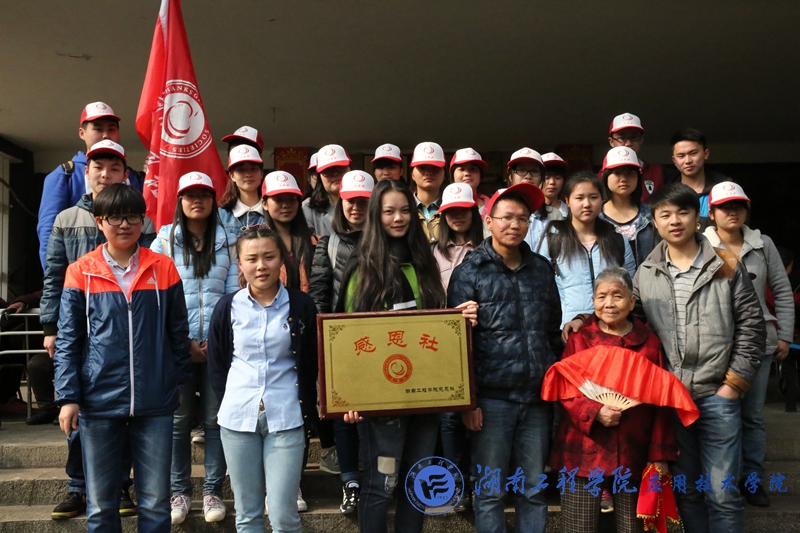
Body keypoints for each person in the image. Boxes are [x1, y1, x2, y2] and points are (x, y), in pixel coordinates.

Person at [337, 179, 475, 533]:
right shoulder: (363, 266)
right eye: (389, 212)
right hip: (380, 401)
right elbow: (349, 337)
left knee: (416, 485)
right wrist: (351, 394)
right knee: (380, 486)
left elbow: (436, 324)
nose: (398, 218)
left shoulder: (423, 261)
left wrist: (458, 318)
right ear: (376, 216)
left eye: (404, 211)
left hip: (425, 396)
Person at [54, 183, 191, 533]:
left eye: (132, 217)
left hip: (155, 400)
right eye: (114, 217)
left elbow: (178, 334)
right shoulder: (81, 271)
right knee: (101, 506)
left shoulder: (164, 267)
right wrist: (68, 397)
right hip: (98, 400)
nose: (124, 225)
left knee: (155, 503)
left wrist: (177, 382)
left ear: (143, 220)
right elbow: (69, 339)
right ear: (100, 221)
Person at [630, 183, 765, 533]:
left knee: (722, 493)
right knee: (688, 491)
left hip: (717, 394)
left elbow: (752, 325)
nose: (674, 221)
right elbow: (631, 327)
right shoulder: (646, 272)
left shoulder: (726, 263)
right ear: (655, 222)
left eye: (683, 212)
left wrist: (733, 385)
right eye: (665, 215)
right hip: (672, 399)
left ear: (697, 217)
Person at [40, 141, 155, 520]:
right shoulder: (66, 219)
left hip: (125, 332)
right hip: (78, 330)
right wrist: (51, 327)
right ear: (87, 172)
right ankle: (78, 487)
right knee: (77, 413)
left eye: (114, 168)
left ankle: (119, 484)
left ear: (126, 174)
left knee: (123, 414)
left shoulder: (141, 221)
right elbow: (54, 276)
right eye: (98, 167)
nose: (106, 174)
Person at [448, 182, 562, 533]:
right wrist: (469, 402)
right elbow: (457, 345)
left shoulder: (541, 268)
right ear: (489, 221)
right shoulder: (470, 271)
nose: (514, 224)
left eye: (522, 218)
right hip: (491, 399)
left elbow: (552, 331)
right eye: (507, 217)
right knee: (490, 491)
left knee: (533, 489)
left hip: (537, 399)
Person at [549, 267, 678, 533]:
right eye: (602, 296)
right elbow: (564, 387)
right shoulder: (579, 339)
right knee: (579, 527)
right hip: (583, 450)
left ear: (632, 301)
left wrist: (660, 455)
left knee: (633, 527)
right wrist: (593, 411)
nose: (609, 303)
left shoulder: (649, 343)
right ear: (593, 301)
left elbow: (661, 401)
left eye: (617, 296)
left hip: (635, 450)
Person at [207, 226, 319, 533]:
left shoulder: (301, 305)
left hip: (286, 416)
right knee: (247, 515)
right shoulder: (227, 306)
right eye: (252, 259)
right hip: (237, 419)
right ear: (240, 264)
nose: (261, 266)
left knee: (284, 515)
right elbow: (217, 364)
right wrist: (231, 399)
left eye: (269, 257)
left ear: (281, 259)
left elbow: (311, 361)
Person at [151, 172, 239, 524]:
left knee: (216, 420)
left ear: (213, 200)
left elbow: (233, 295)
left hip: (219, 346)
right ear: (180, 201)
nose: (197, 200)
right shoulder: (164, 241)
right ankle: (179, 492)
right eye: (189, 195)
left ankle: (213, 490)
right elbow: (158, 296)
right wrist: (183, 341)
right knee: (178, 421)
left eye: (204, 194)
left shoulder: (229, 239)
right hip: (178, 346)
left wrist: (215, 342)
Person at [703, 181, 794, 506]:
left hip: (759, 343)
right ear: (711, 212)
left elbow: (782, 291)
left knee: (752, 416)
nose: (732, 212)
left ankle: (752, 480)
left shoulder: (762, 243)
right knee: (720, 416)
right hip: (716, 344)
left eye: (738, 205)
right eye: (725, 207)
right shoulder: (702, 244)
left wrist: (784, 334)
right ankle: (722, 481)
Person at [308, 170, 374, 515]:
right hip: (342, 343)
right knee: (345, 415)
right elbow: (319, 294)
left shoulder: (387, 241)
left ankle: (377, 480)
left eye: (363, 201)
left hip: (382, 340)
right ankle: (351, 482)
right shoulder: (329, 243)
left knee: (377, 412)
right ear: (340, 202)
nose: (356, 207)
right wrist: (325, 342)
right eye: (350, 201)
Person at [36, 102, 143, 269]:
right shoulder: (64, 174)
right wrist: (56, 278)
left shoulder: (134, 177)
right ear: (82, 133)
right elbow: (49, 233)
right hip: (79, 274)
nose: (106, 135)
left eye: (111, 129)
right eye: (98, 129)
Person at [432, 182, 484, 512]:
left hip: (481, 341)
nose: (457, 216)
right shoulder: (431, 252)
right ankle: (457, 485)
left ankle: (481, 484)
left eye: (463, 210)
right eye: (451, 211)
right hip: (442, 345)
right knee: (450, 418)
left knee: (480, 416)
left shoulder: (487, 249)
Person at [540, 172, 636, 331]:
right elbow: (542, 288)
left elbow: (630, 285)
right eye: (579, 198)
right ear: (567, 201)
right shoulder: (553, 240)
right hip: (569, 329)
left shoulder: (617, 240)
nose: (587, 204)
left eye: (593, 197)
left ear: (602, 199)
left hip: (612, 328)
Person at [599, 146, 657, 267]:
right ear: (605, 176)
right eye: (617, 173)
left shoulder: (652, 215)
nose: (624, 179)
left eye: (630, 173)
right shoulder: (594, 217)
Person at [261, 172, 316, 293]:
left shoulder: (316, 243)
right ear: (264, 204)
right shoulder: (255, 243)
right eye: (278, 200)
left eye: (292, 199)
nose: (286, 205)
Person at [666, 127, 728, 230]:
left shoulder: (725, 189)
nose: (688, 160)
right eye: (681, 156)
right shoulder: (667, 193)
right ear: (674, 161)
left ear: (706, 154)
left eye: (693, 153)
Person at [506, 148, 562, 253]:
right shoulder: (496, 213)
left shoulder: (555, 215)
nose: (528, 176)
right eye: (521, 170)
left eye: (534, 171)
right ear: (511, 177)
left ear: (541, 179)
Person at [605, 113, 663, 203]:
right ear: (611, 141)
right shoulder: (599, 177)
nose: (628, 143)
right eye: (622, 138)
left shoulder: (659, 172)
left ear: (641, 139)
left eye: (634, 137)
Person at [218, 144, 267, 235]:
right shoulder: (220, 216)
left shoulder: (273, 211)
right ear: (232, 175)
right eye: (241, 170)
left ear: (261, 173)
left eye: (253, 169)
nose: (248, 174)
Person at [303, 144, 351, 236]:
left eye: (340, 167)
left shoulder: (371, 202)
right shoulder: (307, 208)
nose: (335, 173)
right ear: (319, 177)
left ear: (350, 169)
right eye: (327, 170)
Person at [410, 141, 448, 243]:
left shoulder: (453, 208)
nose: (429, 172)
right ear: (412, 174)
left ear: (444, 174)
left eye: (435, 167)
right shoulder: (403, 207)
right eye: (422, 167)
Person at [450, 148, 492, 218]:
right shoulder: (442, 206)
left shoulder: (494, 207)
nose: (467, 173)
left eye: (473, 169)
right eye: (462, 169)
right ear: (452, 175)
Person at [540, 152, 569, 217]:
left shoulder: (571, 212)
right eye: (547, 177)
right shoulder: (529, 212)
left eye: (557, 178)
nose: (552, 182)